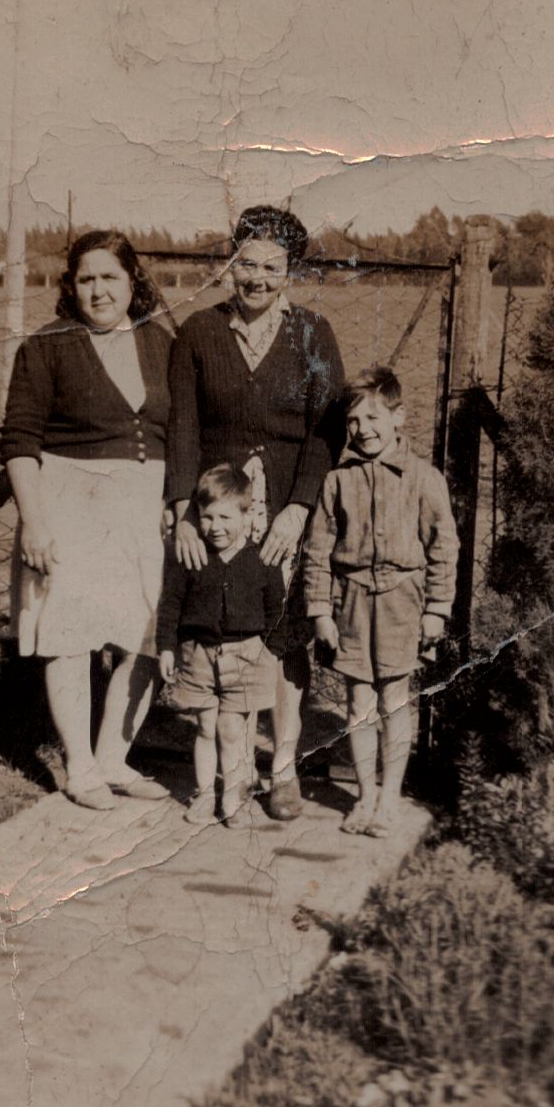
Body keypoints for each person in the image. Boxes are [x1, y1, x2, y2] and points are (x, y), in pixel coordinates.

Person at [165, 204, 346, 822]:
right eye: (247, 265)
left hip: (287, 510)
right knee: (228, 630)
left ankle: (285, 766)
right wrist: (185, 510)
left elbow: (328, 433)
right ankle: (229, 776)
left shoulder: (313, 335)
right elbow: (183, 429)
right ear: (229, 265)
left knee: (285, 634)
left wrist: (298, 508)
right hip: (222, 512)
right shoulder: (198, 333)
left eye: (272, 267)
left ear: (289, 273)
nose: (258, 279)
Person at [0, 230, 175, 809]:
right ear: (71, 286)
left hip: (143, 502)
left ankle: (114, 761)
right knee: (69, 635)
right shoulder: (47, 346)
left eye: (110, 278)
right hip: (69, 498)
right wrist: (36, 521)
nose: (98, 291)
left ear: (133, 282)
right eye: (86, 279)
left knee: (143, 632)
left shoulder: (161, 340)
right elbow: (19, 441)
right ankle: (79, 767)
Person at [304, 365, 458, 835]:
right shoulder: (338, 481)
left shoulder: (424, 478)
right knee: (358, 705)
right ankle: (365, 797)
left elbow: (443, 547)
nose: (363, 430)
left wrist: (436, 609)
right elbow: (318, 551)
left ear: (399, 418)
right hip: (351, 603)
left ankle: (390, 798)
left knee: (394, 700)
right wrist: (319, 611)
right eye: (353, 422)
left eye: (373, 418)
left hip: (402, 604)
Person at [155, 465, 286, 827]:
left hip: (246, 655)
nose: (215, 527)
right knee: (204, 727)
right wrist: (166, 646)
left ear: (246, 515)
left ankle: (233, 799)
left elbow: (277, 610)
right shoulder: (191, 557)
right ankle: (203, 795)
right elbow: (171, 604)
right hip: (198, 654)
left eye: (226, 517)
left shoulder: (261, 561)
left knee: (232, 730)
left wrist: (273, 650)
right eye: (207, 516)